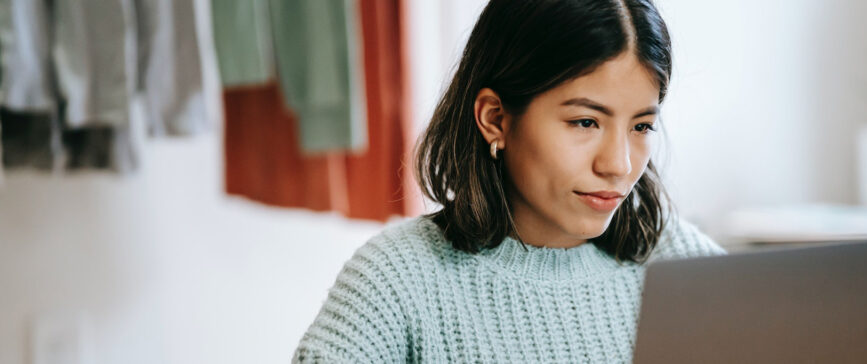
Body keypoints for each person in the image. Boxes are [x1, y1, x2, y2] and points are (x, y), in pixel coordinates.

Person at [292, 0, 726, 362]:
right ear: (495, 119)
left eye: (642, 126)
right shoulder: (397, 279)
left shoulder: (684, 266)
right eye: (585, 122)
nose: (618, 164)